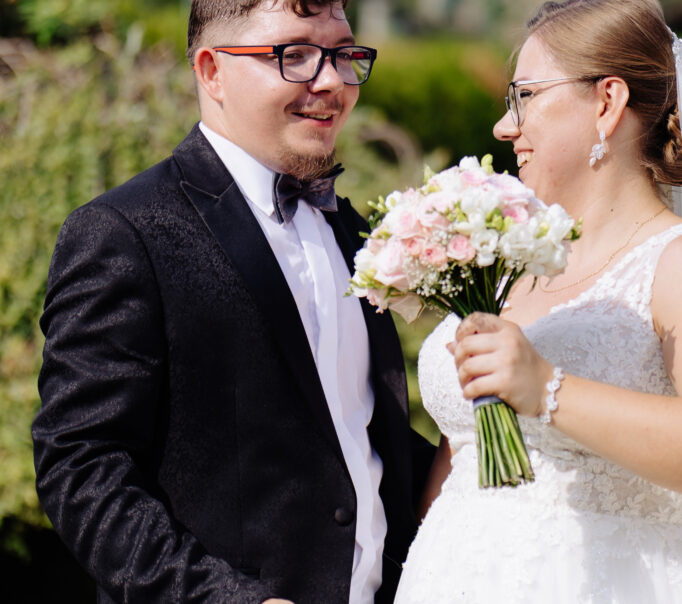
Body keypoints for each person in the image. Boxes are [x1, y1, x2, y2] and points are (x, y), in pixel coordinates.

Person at [395, 0, 682, 602]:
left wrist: (548, 388)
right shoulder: (502, 263)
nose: (503, 126)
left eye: (525, 96)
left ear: (607, 102)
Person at [32, 1, 429, 602]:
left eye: (344, 54)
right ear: (211, 70)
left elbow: (353, 436)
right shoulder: (125, 232)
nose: (331, 81)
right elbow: (81, 466)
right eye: (295, 55)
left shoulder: (347, 228)